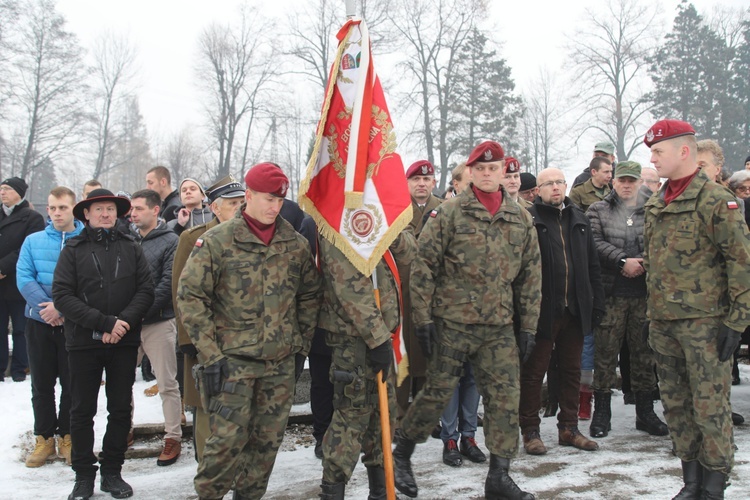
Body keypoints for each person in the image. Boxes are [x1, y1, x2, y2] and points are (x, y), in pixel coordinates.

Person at [393, 141, 541, 500]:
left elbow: (531, 273)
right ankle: (402, 455)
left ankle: (499, 476)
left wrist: (528, 326)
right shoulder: (450, 213)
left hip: (498, 326)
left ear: (504, 170)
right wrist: (423, 319)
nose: (489, 175)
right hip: (452, 322)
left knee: (505, 399)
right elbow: (424, 266)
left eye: (495, 169)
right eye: (481, 169)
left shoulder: (520, 216)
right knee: (436, 393)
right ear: (471, 173)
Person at [176, 163, 321, 500]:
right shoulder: (217, 241)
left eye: (280, 201)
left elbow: (310, 295)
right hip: (232, 364)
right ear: (249, 196)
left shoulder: (295, 244)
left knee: (266, 445)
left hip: (280, 365)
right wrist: (209, 355)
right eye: (269, 199)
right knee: (224, 444)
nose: (275, 207)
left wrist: (300, 346)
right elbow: (191, 297)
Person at [642, 119, 750, 499]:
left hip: (705, 325)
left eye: (658, 151)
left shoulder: (717, 200)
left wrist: (736, 322)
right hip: (664, 324)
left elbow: (741, 263)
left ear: (683, 152)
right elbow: (654, 264)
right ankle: (690, 481)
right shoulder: (657, 202)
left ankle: (714, 483)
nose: (652, 158)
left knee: (710, 408)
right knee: (676, 405)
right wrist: (651, 316)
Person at [52, 188, 154, 500]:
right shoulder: (73, 249)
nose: (105, 214)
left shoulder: (131, 246)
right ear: (86, 214)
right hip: (84, 342)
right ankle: (83, 475)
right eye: (99, 209)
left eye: (110, 209)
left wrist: (121, 323)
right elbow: (62, 296)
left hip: (123, 342)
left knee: (120, 408)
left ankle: (112, 471)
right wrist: (104, 322)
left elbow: (146, 290)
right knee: (81, 410)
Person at [317, 228, 416, 499]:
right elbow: (350, 289)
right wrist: (378, 338)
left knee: (381, 416)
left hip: (384, 335)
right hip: (355, 339)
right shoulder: (337, 222)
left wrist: (388, 225)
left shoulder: (380, 214)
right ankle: (333, 491)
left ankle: (381, 491)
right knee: (352, 416)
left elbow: (409, 251)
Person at [520, 167, 604, 456]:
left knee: (571, 370)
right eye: (548, 183)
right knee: (534, 372)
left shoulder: (579, 218)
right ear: (537, 190)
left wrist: (596, 303)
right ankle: (530, 430)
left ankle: (569, 427)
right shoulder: (530, 219)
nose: (555, 187)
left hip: (575, 307)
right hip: (542, 310)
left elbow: (593, 264)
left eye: (559, 182)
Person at [585, 161, 668, 438]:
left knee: (644, 354)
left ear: (639, 182)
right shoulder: (597, 210)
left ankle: (645, 413)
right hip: (611, 295)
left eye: (632, 180)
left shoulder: (654, 210)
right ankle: (602, 414)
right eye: (622, 180)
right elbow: (593, 243)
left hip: (645, 295)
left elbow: (662, 241)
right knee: (605, 355)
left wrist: (642, 262)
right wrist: (622, 260)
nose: (627, 185)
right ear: (614, 181)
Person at [172, 175, 245, 463]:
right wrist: (188, 339)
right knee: (206, 405)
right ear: (215, 207)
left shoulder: (251, 236)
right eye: (232, 203)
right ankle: (209, 469)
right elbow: (180, 290)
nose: (240, 208)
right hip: (206, 338)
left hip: (242, 340)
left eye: (243, 202)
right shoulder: (193, 238)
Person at [16, 186, 83, 467]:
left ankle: (67, 435)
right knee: (42, 383)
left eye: (63, 208)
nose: (57, 213)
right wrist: (47, 309)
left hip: (74, 323)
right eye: (53, 208)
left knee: (71, 383)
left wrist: (63, 308)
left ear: (73, 208)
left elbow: (89, 280)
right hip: (39, 321)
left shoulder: (84, 239)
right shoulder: (32, 241)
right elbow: (23, 276)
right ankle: (44, 437)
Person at [128, 189, 182, 466]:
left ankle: (173, 436)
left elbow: (166, 284)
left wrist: (134, 313)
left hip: (158, 321)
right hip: (127, 324)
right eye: (132, 209)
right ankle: (123, 429)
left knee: (167, 384)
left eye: (138, 208)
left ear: (155, 210)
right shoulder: (127, 239)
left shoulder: (171, 240)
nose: (133, 214)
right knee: (122, 382)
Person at [396, 160, 442, 418]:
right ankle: (399, 414)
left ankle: (428, 416)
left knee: (429, 355)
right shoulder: (396, 211)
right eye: (416, 179)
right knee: (402, 354)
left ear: (434, 183)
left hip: (433, 295)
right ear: (407, 183)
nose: (422, 183)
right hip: (401, 294)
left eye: (426, 179)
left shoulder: (445, 211)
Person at [1, 176, 45, 382]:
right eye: (1, 189)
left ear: (19, 193)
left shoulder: (32, 218)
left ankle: (20, 369)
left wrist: (3, 267)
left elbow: (27, 248)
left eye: (7, 189)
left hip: (19, 282)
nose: (3, 192)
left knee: (20, 328)